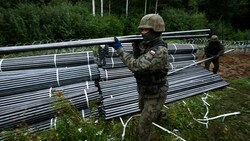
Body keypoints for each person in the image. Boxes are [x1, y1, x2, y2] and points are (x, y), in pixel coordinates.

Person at [110, 14, 169, 141]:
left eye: (145, 30)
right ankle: (158, 114)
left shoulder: (159, 51)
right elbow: (139, 58)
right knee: (143, 110)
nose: (142, 33)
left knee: (143, 125)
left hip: (156, 93)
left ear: (155, 30)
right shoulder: (148, 45)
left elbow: (137, 66)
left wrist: (120, 49)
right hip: (144, 90)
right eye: (141, 30)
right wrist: (136, 47)